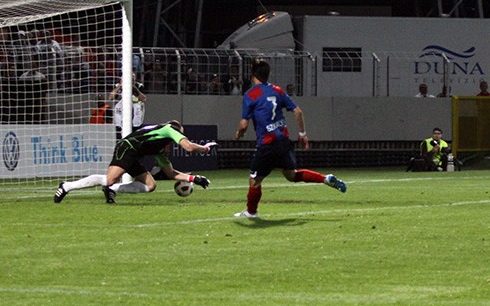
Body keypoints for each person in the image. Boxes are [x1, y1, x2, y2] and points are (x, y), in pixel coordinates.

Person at [233, 59, 347, 219]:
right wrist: (302, 134)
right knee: (291, 175)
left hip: (267, 144)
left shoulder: (251, 94)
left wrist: (239, 134)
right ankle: (325, 179)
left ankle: (251, 212)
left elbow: (244, 124)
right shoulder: (277, 90)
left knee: (254, 180)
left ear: (252, 74)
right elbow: (298, 112)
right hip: (283, 141)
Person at [54, 120, 214, 204]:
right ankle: (67, 186)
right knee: (109, 179)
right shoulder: (168, 129)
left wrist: (193, 178)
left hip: (134, 153)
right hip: (127, 147)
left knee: (150, 186)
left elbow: (171, 173)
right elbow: (189, 147)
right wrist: (204, 149)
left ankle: (112, 189)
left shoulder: (159, 148)